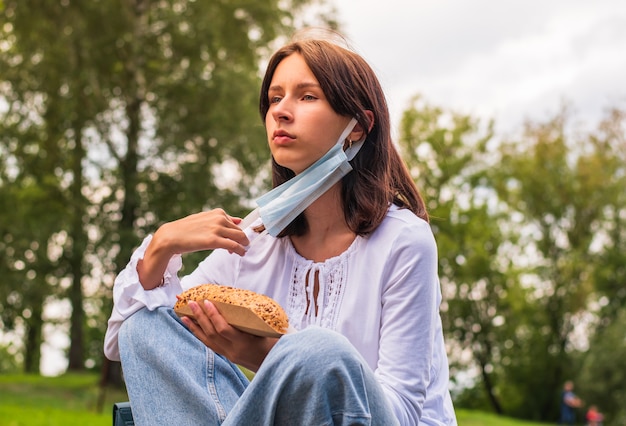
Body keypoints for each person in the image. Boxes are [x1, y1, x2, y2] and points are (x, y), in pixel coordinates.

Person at [104, 29, 457, 426]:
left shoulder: (404, 240)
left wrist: (264, 354)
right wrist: (163, 246)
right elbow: (127, 342)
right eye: (274, 98)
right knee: (144, 328)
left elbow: (402, 413)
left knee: (320, 350)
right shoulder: (254, 238)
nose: (280, 111)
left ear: (358, 126)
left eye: (307, 96)